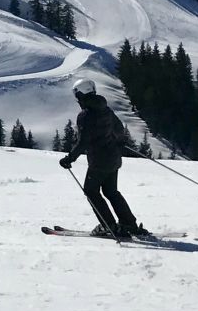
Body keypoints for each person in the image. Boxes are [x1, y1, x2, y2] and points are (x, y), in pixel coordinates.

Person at [62, 78, 149, 239]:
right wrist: (121, 141)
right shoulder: (105, 108)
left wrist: (69, 158)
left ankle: (108, 225)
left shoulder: (85, 115)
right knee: (111, 191)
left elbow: (83, 142)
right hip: (114, 158)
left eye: (77, 95)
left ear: (81, 94)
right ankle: (129, 223)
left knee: (91, 191)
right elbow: (119, 128)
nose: (77, 100)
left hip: (99, 162)